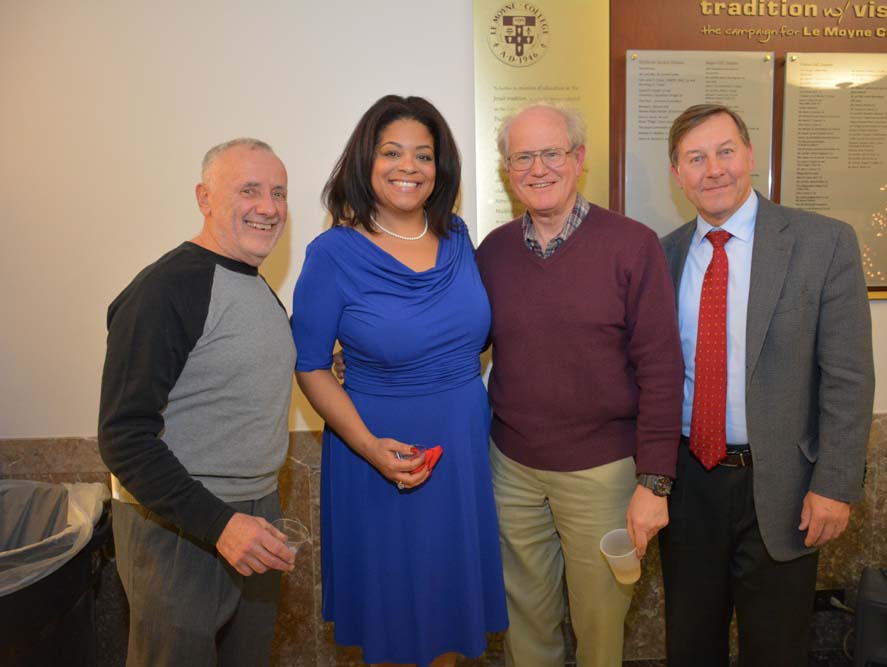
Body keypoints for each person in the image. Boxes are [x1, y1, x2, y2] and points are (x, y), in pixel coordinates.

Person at [292, 95, 507, 667]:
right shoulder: (332, 254)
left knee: (449, 613)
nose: (408, 166)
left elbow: (471, 334)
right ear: (366, 161)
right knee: (393, 620)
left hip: (460, 447)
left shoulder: (458, 237)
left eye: (423, 155)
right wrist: (368, 447)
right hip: (378, 452)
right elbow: (310, 363)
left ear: (442, 169)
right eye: (391, 152)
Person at [658, 104, 875, 666]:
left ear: (751, 155)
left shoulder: (822, 242)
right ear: (677, 174)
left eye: (725, 151)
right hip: (688, 486)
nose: (714, 169)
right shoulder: (663, 255)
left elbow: (848, 377)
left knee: (777, 648)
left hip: (784, 488)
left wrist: (836, 484)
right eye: (695, 158)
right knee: (690, 643)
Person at [475, 102, 684, 667]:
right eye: (522, 156)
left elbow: (663, 370)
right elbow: (457, 342)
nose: (538, 168)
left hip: (604, 476)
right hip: (512, 468)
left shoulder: (632, 245)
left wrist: (655, 483)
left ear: (579, 159)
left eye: (552, 153)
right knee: (525, 625)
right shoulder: (492, 252)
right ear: (506, 169)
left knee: (600, 627)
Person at [98, 138, 297, 666]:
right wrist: (221, 525)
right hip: (181, 527)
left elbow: (238, 378)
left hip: (256, 514)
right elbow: (124, 438)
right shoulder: (166, 288)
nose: (269, 206)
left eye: (278, 192)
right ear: (204, 198)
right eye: (249, 190)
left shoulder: (256, 287)